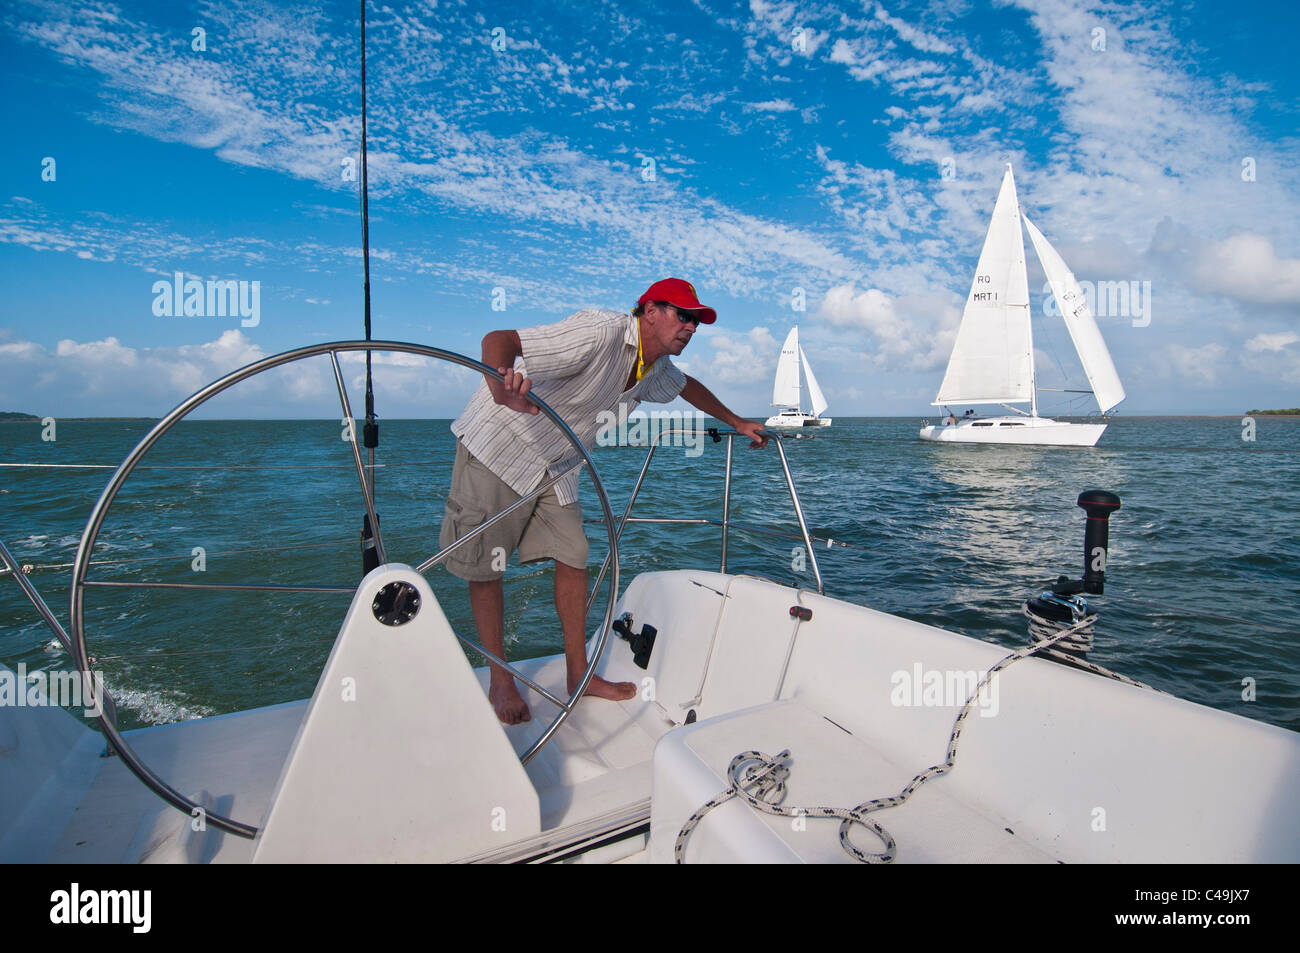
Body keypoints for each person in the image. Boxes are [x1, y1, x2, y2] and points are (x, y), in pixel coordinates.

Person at [441, 278, 769, 724]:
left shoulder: (655, 367)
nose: (691, 327)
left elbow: (686, 385)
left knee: (575, 557)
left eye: (696, 320)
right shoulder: (599, 331)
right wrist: (500, 387)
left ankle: (580, 675)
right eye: (683, 315)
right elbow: (500, 340)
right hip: (500, 446)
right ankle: (500, 679)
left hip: (557, 464)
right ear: (649, 311)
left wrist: (736, 420)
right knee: (486, 568)